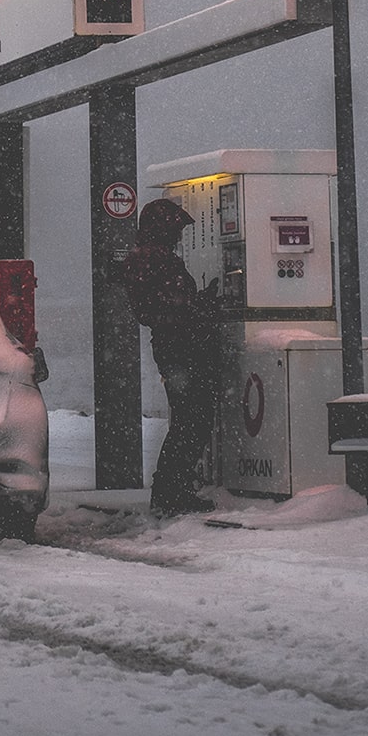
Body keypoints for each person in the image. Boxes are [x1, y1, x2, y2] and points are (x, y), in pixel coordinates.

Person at [125, 198, 221, 516]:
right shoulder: (157, 259)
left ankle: (170, 491)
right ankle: (171, 492)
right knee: (192, 421)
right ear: (163, 228)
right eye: (176, 228)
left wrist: (194, 304)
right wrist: (202, 305)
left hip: (174, 348)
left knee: (187, 421)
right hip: (181, 350)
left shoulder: (147, 257)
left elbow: (163, 305)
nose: (179, 235)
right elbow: (169, 307)